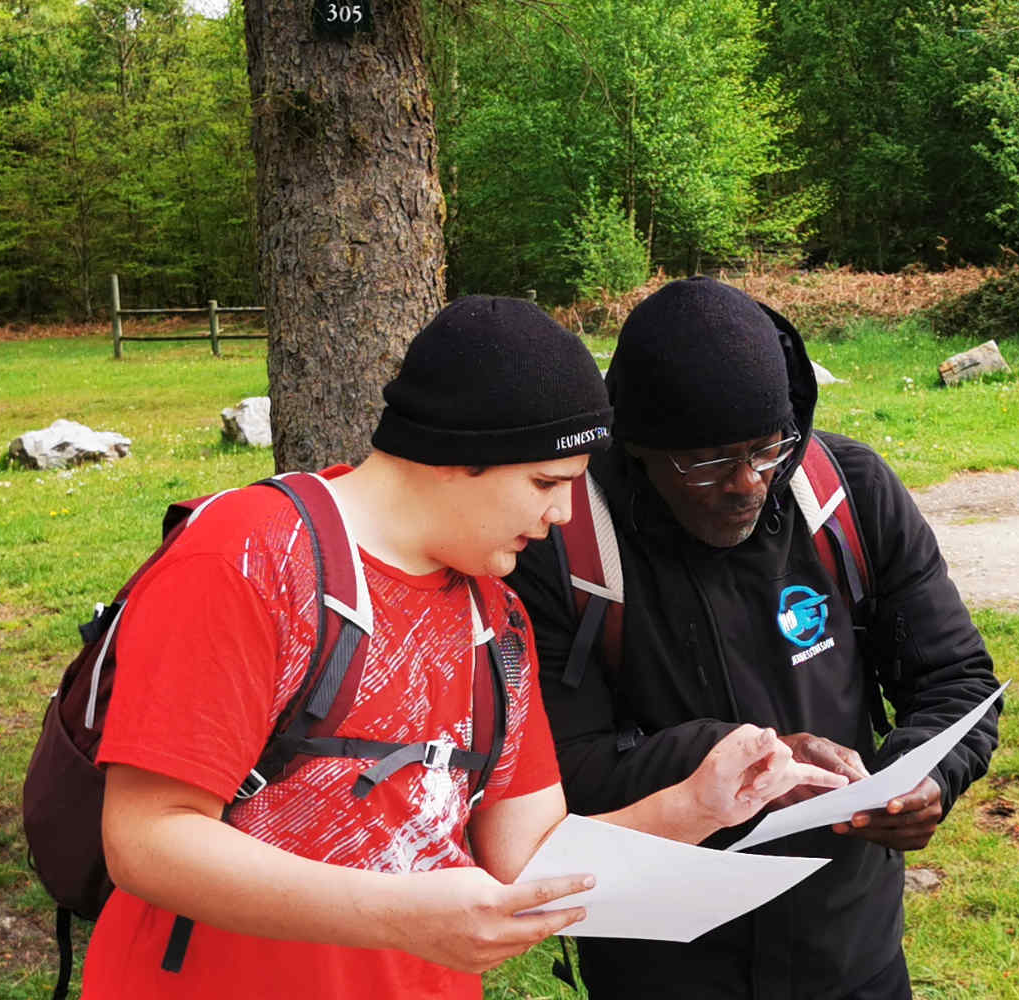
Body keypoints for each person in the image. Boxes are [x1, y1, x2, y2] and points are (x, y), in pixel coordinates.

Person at [86, 295, 843, 999]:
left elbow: (527, 855)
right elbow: (148, 838)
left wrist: (695, 805)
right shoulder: (247, 556)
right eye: (547, 481)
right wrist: (398, 915)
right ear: (458, 454)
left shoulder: (497, 618)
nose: (560, 516)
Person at [506, 277, 1004, 1000]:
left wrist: (926, 779)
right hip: (663, 962)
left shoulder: (847, 494)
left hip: (850, 945)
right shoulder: (564, 543)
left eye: (767, 450)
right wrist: (737, 759)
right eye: (707, 462)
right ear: (639, 445)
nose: (747, 484)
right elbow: (557, 772)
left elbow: (956, 677)